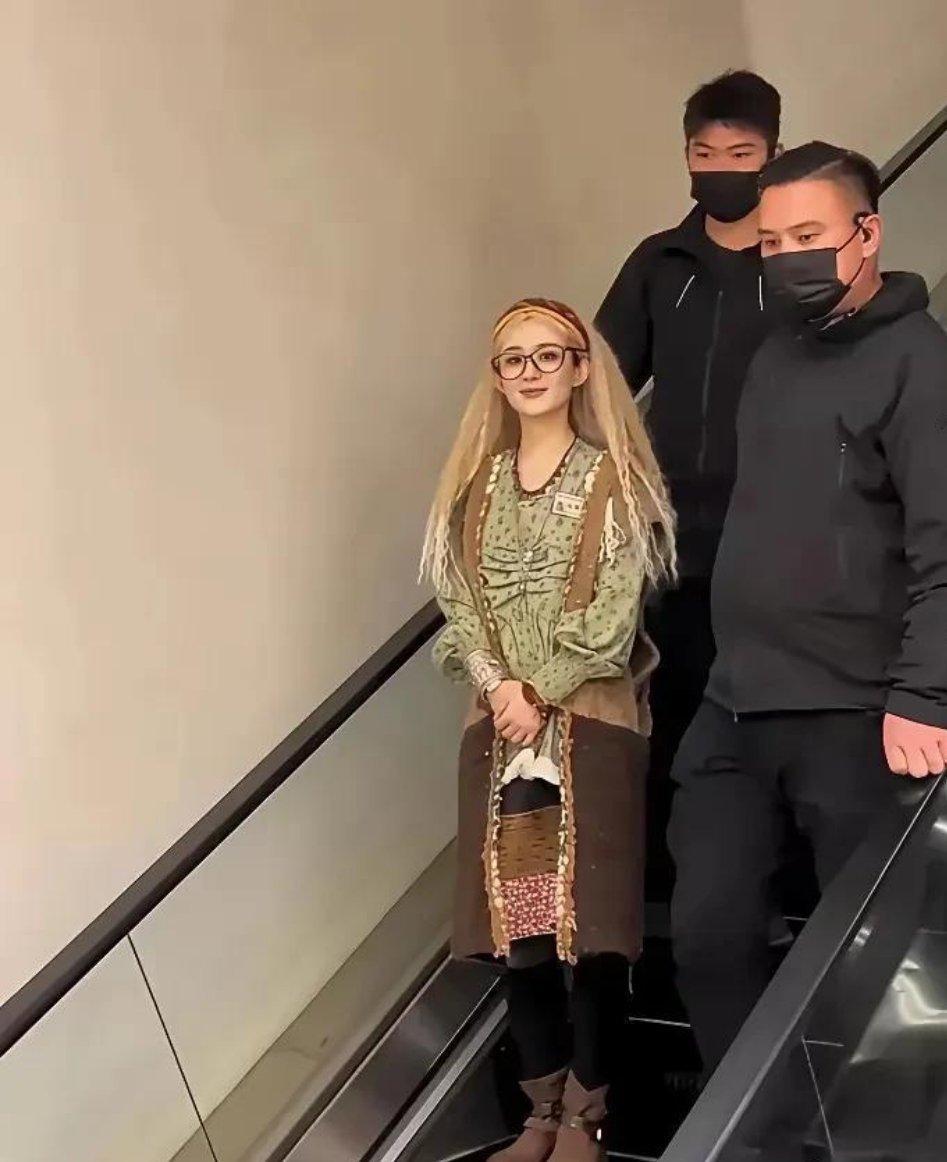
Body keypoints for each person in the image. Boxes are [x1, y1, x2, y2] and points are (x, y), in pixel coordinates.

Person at [670, 141, 947, 1078]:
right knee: (706, 939)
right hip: (733, 706)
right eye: (772, 239)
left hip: (857, 715)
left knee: (872, 970)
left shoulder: (920, 363)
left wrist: (924, 693)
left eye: (808, 235)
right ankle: (754, 1132)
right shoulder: (771, 357)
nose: (787, 255)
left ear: (867, 234)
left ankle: (872, 1132)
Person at [422, 298, 675, 1161]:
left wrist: (541, 690)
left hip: (589, 728)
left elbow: (611, 618)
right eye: (513, 359)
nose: (529, 372)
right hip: (502, 735)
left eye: (547, 355)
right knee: (521, 929)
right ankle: (539, 1108)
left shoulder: (615, 483)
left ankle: (586, 1116)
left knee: (590, 928)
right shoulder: (475, 489)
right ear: (496, 378)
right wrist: (500, 687)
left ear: (579, 367)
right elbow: (457, 605)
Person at [595, 70, 782, 899]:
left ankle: (778, 889)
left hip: (773, 535)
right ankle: (670, 886)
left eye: (740, 154)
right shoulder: (657, 262)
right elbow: (601, 377)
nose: (720, 169)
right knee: (675, 706)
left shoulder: (792, 264)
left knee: (769, 713)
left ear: (771, 154)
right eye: (704, 154)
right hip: (671, 538)